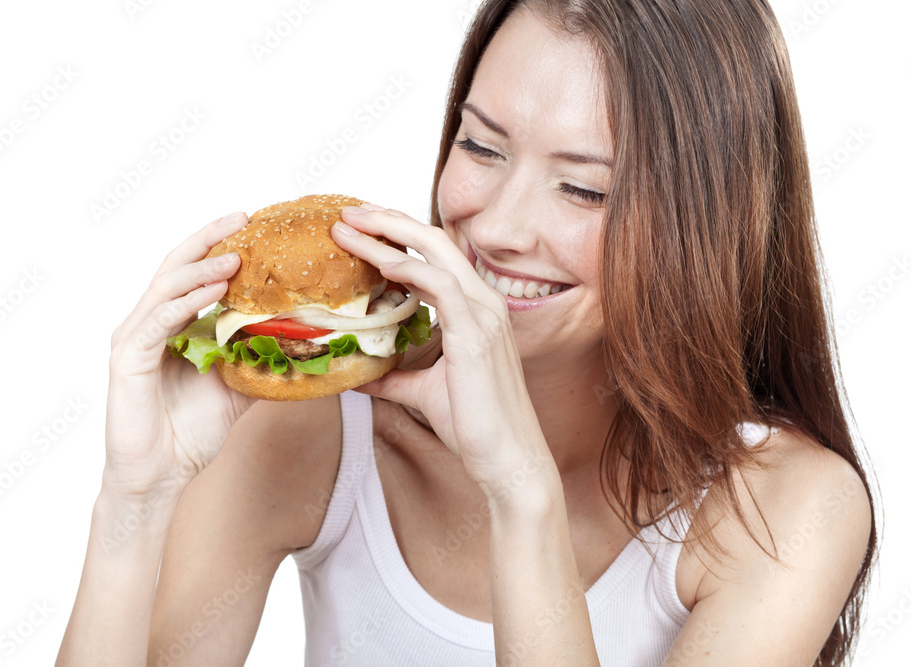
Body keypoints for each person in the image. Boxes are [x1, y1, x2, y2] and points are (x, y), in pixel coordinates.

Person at [56, 0, 877, 664]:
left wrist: (519, 491)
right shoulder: (317, 423)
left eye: (584, 190)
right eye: (481, 145)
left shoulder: (787, 509)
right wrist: (135, 500)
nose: (499, 226)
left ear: (709, 226)